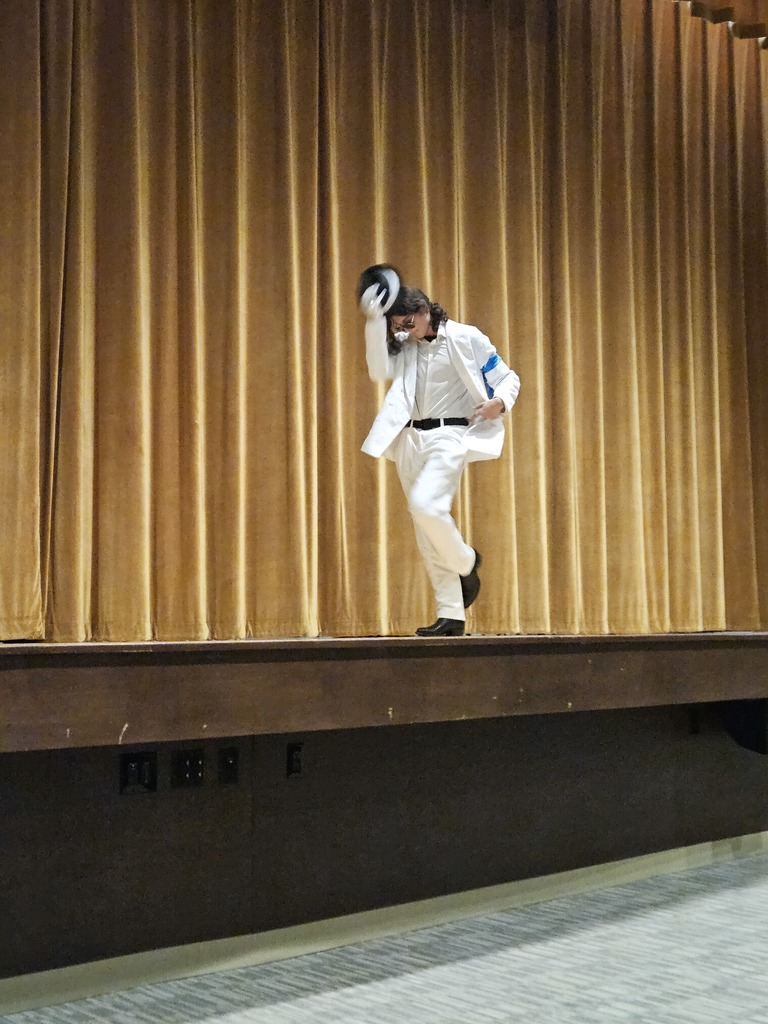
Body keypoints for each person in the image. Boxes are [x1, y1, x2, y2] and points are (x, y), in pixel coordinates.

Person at [358, 266, 520, 636]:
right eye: (397, 324)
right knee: (424, 529)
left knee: (427, 505)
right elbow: (377, 368)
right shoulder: (406, 346)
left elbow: (507, 378)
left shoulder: (466, 337)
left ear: (425, 310)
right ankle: (451, 614)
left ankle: (466, 561)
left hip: (451, 435)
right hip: (411, 439)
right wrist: (372, 320)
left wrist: (500, 403)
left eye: (408, 322)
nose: (404, 330)